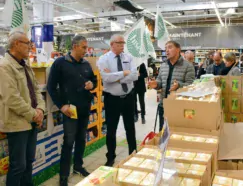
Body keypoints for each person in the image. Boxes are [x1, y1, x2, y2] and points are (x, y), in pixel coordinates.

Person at [47, 35, 97, 186]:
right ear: (74, 46)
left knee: (81, 139)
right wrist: (62, 106)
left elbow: (93, 80)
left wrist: (91, 85)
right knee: (68, 142)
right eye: (83, 47)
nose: (86, 50)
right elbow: (51, 87)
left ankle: (78, 166)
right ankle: (63, 175)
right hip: (70, 110)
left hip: (84, 108)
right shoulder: (60, 63)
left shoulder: (86, 64)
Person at [0, 31, 45, 186]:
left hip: (31, 121)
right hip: (17, 123)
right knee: (18, 166)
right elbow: (11, 98)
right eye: (28, 43)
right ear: (16, 44)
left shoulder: (25, 66)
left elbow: (36, 90)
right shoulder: (4, 67)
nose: (30, 47)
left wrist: (41, 109)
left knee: (29, 161)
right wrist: (34, 114)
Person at [97, 34, 138, 167]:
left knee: (130, 128)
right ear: (112, 44)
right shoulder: (103, 59)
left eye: (123, 43)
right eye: (119, 43)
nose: (122, 45)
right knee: (111, 130)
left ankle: (133, 153)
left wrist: (117, 77)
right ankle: (110, 157)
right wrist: (124, 73)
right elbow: (106, 78)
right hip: (112, 99)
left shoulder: (128, 57)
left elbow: (135, 75)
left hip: (128, 97)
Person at [148, 41, 195, 131]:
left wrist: (179, 86)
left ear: (178, 49)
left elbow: (191, 86)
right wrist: (156, 84)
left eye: (170, 47)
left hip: (178, 106)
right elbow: (160, 81)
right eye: (165, 49)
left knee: (176, 132)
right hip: (163, 105)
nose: (167, 51)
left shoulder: (188, 66)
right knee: (162, 132)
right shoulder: (163, 65)